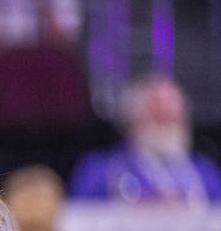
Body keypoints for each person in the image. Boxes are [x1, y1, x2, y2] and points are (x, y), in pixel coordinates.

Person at [68, 73, 221, 204]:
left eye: (174, 117)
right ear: (132, 119)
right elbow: (78, 223)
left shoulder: (205, 173)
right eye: (158, 115)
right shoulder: (100, 171)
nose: (167, 124)